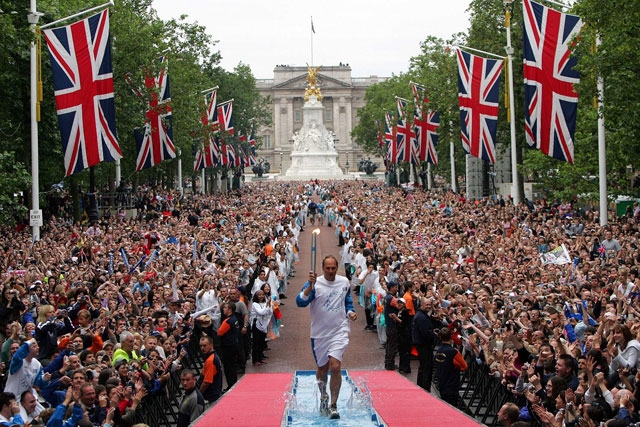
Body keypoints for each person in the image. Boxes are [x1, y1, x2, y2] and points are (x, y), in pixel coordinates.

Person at [296, 255, 357, 420]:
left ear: (337, 268)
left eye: (333, 268)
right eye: (327, 268)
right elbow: (300, 302)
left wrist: (350, 312)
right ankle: (324, 396)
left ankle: (334, 405)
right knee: (322, 369)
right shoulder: (315, 284)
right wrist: (310, 285)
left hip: (339, 330)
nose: (331, 271)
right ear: (323, 269)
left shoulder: (344, 282)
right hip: (319, 334)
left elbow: (347, 301)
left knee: (335, 366)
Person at [434, 327, 467, 407]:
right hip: (452, 384)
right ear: (451, 337)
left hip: (442, 383)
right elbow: (464, 366)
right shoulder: (454, 352)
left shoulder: (438, 351)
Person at [412, 297, 439, 391]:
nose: (428, 306)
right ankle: (425, 387)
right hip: (424, 344)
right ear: (422, 305)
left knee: (423, 366)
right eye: (426, 305)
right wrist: (434, 335)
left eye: (429, 304)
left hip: (422, 344)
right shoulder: (421, 317)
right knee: (426, 366)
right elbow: (426, 333)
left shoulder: (421, 315)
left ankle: (421, 385)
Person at [198, 335, 223, 403]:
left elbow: (206, 382)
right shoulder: (213, 356)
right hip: (215, 393)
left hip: (210, 397)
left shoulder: (211, 360)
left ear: (211, 345)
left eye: (205, 345)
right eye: (201, 346)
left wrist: (198, 395)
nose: (202, 348)